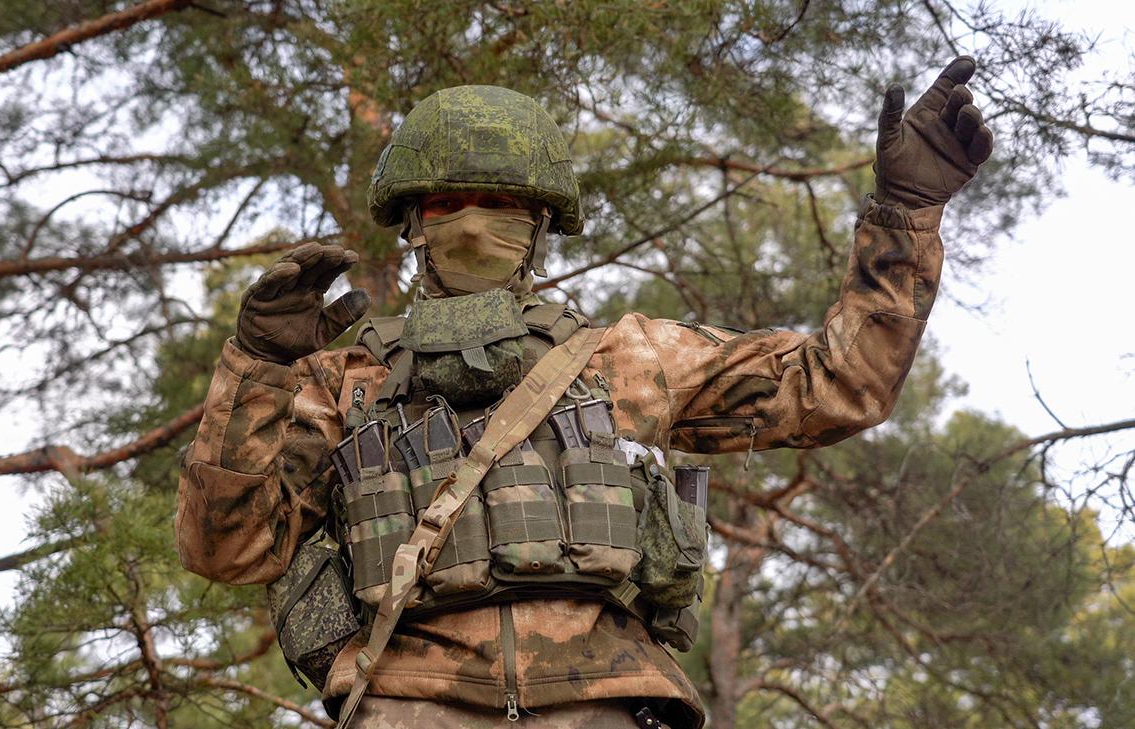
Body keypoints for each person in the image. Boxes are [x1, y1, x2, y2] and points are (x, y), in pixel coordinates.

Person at [175, 57, 993, 728]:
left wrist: (907, 213)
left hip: (606, 704)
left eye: (499, 204)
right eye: (449, 202)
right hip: (406, 705)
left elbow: (838, 384)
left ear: (538, 223)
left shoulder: (628, 359)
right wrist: (256, 365)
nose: (470, 225)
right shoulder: (342, 381)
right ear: (415, 222)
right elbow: (227, 548)